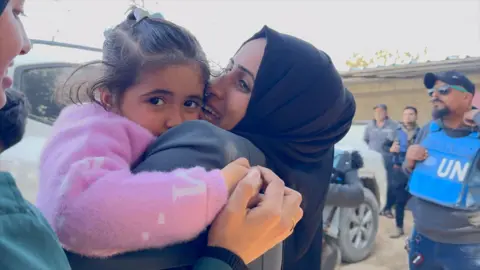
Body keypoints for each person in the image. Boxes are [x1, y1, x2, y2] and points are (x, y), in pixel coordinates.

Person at [1, 3, 301, 270]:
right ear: (109, 98)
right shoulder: (93, 130)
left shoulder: (134, 128)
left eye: (191, 103)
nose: (177, 119)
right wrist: (213, 190)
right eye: (157, 101)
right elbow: (81, 216)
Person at [125, 26, 356, 270]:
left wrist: (225, 258)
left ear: (283, 113)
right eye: (227, 68)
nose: (213, 85)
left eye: (243, 84)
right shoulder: (299, 192)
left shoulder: (207, 153)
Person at [404, 71, 480, 270]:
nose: (434, 96)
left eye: (443, 90)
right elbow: (415, 176)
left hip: (468, 246)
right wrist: (409, 163)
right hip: (422, 237)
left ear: (467, 97)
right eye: (432, 91)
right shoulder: (428, 130)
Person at [388, 106, 419, 238]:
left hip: (416, 170)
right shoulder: (396, 131)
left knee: (418, 202)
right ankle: (399, 227)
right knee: (399, 201)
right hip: (399, 169)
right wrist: (391, 149)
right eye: (405, 114)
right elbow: (386, 147)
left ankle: (419, 230)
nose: (408, 116)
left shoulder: (421, 132)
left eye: (411, 114)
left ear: (416, 116)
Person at [364, 103, 398, 219]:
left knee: (390, 185)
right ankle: (377, 207)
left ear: (386, 113)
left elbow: (398, 141)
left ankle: (387, 208)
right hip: (373, 161)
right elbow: (366, 140)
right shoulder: (369, 126)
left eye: (380, 112)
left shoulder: (393, 126)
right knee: (375, 183)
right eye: (376, 112)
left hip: (388, 160)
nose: (378, 114)